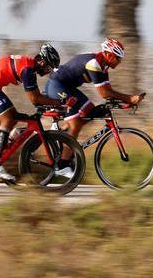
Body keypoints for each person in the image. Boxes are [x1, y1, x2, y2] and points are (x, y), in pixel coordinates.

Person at [44, 38, 145, 177]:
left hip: (67, 87)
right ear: (109, 55)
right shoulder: (95, 64)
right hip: (56, 85)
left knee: (90, 111)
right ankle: (63, 164)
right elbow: (105, 93)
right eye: (117, 58)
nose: (119, 62)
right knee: (76, 123)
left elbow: (109, 91)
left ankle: (60, 134)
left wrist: (125, 103)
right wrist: (129, 98)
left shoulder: (103, 66)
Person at [0, 43, 63, 181]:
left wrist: (50, 102)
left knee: (14, 116)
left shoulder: (29, 66)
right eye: (48, 66)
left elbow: (36, 96)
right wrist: (59, 102)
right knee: (7, 120)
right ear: (42, 61)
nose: (48, 71)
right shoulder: (28, 70)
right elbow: (35, 100)